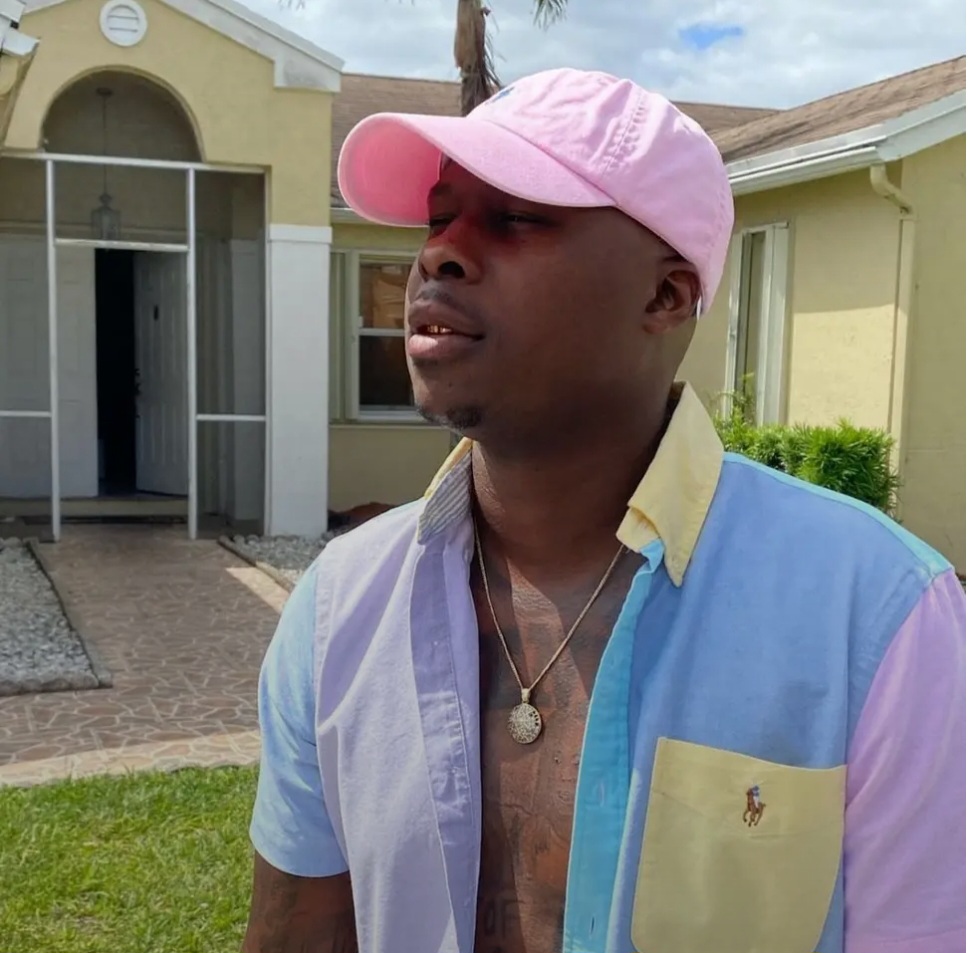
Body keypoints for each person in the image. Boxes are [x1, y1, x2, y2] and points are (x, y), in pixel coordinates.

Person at [241, 68, 966, 953]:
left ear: (664, 295)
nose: (438, 254)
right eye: (439, 217)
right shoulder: (339, 608)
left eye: (515, 217)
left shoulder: (878, 618)